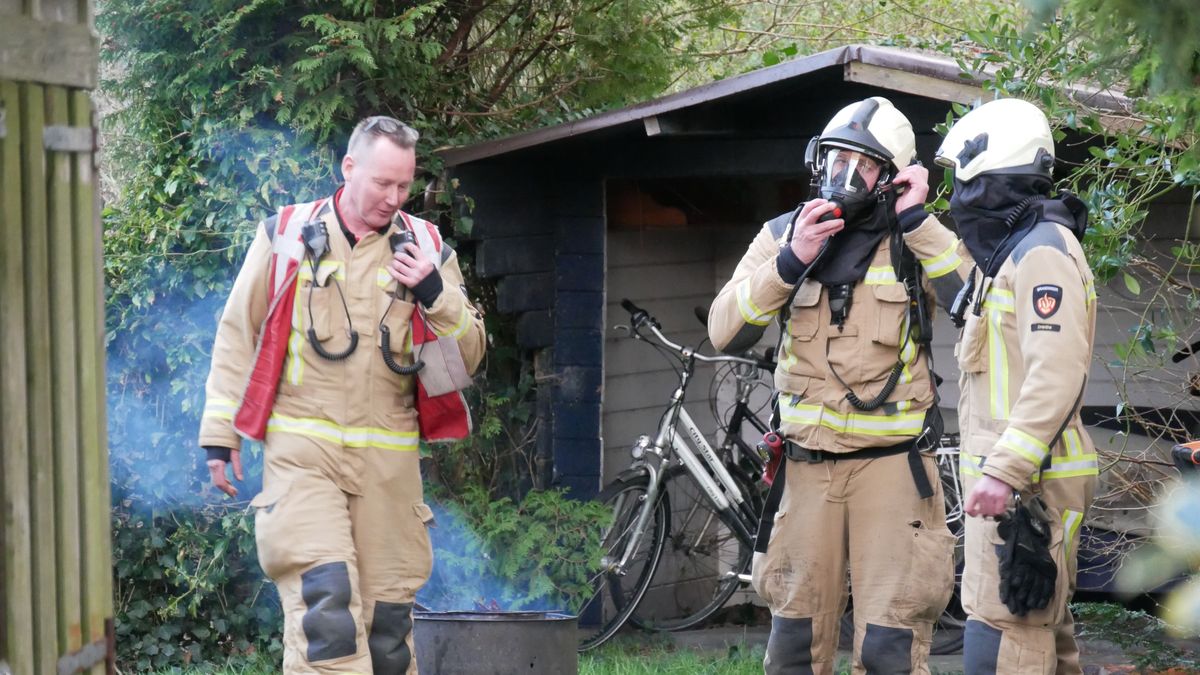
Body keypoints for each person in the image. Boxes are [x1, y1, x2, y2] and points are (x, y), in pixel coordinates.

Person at [199, 115, 485, 674]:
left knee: (386, 638)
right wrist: (220, 432)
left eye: (403, 185)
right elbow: (239, 332)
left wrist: (435, 293)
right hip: (302, 455)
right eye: (382, 182)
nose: (393, 197)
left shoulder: (425, 247)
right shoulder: (285, 235)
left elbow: (467, 358)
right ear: (349, 167)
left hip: (390, 467)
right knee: (325, 616)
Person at [709, 96, 962, 674]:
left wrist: (919, 223)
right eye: (835, 159)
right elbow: (724, 330)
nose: (843, 176)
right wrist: (789, 263)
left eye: (863, 164)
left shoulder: (910, 242)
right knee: (795, 646)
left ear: (890, 178)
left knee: (889, 649)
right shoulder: (783, 236)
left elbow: (977, 303)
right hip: (805, 473)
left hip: (893, 473)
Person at [934, 98, 1097, 674]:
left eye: (965, 181)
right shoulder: (1013, 252)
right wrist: (910, 219)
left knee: (1007, 640)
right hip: (1020, 482)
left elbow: (1056, 372)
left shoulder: (1043, 254)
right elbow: (959, 274)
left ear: (995, 179)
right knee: (1042, 642)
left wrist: (1004, 471)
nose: (957, 196)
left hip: (1032, 487)